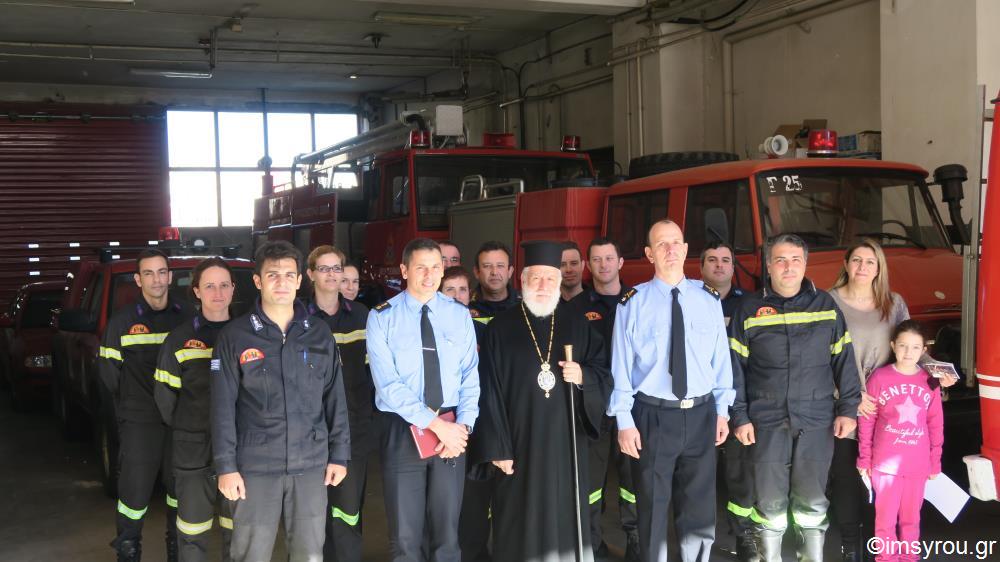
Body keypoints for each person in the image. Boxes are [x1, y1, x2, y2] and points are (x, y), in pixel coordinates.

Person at [212, 241, 351, 562]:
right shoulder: (235, 337)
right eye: (272, 275)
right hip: (255, 467)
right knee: (250, 555)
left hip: (311, 466)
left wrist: (340, 455)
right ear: (258, 281)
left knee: (309, 554)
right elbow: (222, 408)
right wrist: (226, 467)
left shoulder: (318, 334)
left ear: (300, 280)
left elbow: (335, 398)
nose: (282, 282)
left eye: (289, 275)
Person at [473, 239, 612, 562]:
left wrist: (584, 376)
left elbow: (603, 373)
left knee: (565, 515)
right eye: (536, 278)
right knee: (517, 517)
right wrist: (498, 447)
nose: (543, 285)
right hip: (517, 446)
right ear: (523, 280)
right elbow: (488, 390)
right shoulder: (500, 328)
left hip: (566, 444)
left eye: (550, 278)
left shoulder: (578, 324)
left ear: (558, 281)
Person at [729, 234, 861, 562]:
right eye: (780, 260)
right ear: (768, 266)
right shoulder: (748, 309)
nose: (788, 267)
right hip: (766, 418)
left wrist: (848, 409)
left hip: (816, 418)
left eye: (795, 260)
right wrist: (740, 416)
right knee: (769, 502)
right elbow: (734, 370)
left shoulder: (825, 306)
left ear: (805, 264)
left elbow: (844, 360)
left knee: (812, 501)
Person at [610, 220, 734, 562]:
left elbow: (720, 361)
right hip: (652, 417)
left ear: (685, 248)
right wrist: (624, 420)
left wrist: (722, 411)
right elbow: (621, 366)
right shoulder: (632, 303)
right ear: (649, 254)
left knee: (699, 509)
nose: (670, 250)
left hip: (701, 414)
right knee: (652, 507)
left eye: (676, 242)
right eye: (661, 244)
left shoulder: (708, 299)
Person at [366, 238, 480, 562]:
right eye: (420, 268)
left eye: (435, 267)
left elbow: (470, 375)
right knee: (405, 536)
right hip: (403, 431)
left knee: (447, 534)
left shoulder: (459, 315)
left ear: (443, 270)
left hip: (452, 431)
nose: (429, 275)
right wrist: (435, 425)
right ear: (404, 270)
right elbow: (388, 385)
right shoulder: (382, 317)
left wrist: (463, 427)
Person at [99, 248, 190, 562]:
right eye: (148, 273)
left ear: (170, 276)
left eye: (162, 272)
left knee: (179, 493)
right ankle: (128, 551)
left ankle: (176, 552)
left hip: (180, 421)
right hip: (141, 421)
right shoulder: (121, 323)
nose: (156, 279)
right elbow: (110, 376)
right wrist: (135, 404)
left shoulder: (187, 316)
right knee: (134, 495)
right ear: (138, 280)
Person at [827, 239, 909, 562]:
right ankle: (851, 547)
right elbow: (818, 357)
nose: (862, 267)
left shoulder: (894, 303)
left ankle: (879, 547)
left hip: (884, 412)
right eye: (857, 260)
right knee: (847, 480)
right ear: (846, 264)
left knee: (881, 482)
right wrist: (849, 395)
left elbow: (910, 347)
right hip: (845, 407)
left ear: (879, 269)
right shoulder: (828, 301)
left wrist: (936, 371)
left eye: (870, 262)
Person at [154, 257, 235, 562]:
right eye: (210, 286)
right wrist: (191, 427)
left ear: (233, 289)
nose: (218, 293)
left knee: (238, 534)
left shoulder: (248, 335)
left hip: (239, 451)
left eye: (224, 285)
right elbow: (165, 399)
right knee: (192, 535)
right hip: (192, 452)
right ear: (197, 291)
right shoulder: (179, 340)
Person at [570, 237, 638, 561]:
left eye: (609, 258)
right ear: (588, 265)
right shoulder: (576, 308)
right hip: (593, 407)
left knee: (633, 481)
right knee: (591, 483)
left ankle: (636, 542)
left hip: (632, 409)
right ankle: (592, 544)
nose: (603, 265)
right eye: (596, 259)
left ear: (620, 262)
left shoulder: (638, 301)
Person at [304, 245, 373, 562]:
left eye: (336, 268)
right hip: (309, 431)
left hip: (354, 428)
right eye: (324, 268)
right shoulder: (298, 317)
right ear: (310, 274)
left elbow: (375, 374)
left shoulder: (362, 316)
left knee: (348, 512)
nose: (332, 275)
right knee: (310, 515)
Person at [857, 320, 943, 562]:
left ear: (924, 350)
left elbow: (935, 423)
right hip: (885, 466)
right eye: (903, 346)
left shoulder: (929, 381)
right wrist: (865, 458)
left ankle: (909, 558)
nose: (908, 352)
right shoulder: (879, 378)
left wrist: (935, 461)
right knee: (885, 521)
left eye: (915, 347)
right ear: (893, 346)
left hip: (917, 465)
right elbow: (867, 420)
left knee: (911, 520)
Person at [698, 242, 753, 561]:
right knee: (700, 476)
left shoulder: (749, 304)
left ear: (733, 267)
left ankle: (743, 536)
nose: (719, 265)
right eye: (712, 260)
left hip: (738, 401)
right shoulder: (690, 300)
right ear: (701, 267)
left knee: (740, 474)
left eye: (725, 260)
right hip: (700, 400)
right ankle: (698, 539)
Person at [440, 265, 490, 561]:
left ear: (471, 295)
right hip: (442, 427)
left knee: (474, 496)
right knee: (444, 500)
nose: (457, 296)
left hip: (475, 424)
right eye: (450, 290)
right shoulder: (429, 330)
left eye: (462, 290)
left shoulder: (483, 331)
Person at [469, 241, 520, 324]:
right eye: (487, 266)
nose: (494, 272)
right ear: (476, 272)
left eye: (500, 266)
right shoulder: (465, 305)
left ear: (510, 271)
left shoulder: (524, 306)